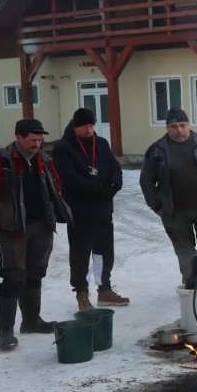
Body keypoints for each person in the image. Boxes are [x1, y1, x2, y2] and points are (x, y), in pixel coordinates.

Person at [0, 119, 70, 350]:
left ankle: (31, 321)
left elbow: (55, 186)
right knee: (13, 276)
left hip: (41, 225)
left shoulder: (44, 160)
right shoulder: (1, 161)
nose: (36, 144)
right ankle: (4, 332)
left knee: (36, 272)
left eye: (39, 140)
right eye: (32, 140)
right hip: (12, 228)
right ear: (18, 137)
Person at [140, 108, 197, 288]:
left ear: (189, 125)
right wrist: (157, 205)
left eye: (182, 125)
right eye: (174, 126)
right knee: (185, 251)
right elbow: (146, 182)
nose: (179, 130)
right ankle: (192, 284)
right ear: (167, 128)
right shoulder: (157, 150)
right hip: (175, 211)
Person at [52, 107, 127, 311]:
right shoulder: (64, 148)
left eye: (91, 125)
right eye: (84, 125)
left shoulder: (101, 144)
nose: (89, 129)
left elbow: (115, 169)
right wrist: (98, 189)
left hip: (103, 211)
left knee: (103, 253)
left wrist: (113, 186)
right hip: (79, 212)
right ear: (75, 126)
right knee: (80, 255)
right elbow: (69, 178)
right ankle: (82, 293)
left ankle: (104, 289)